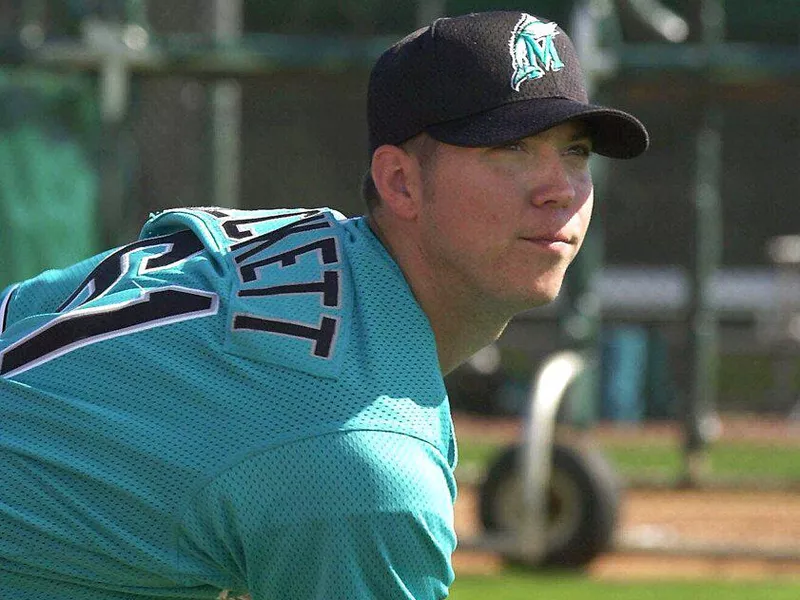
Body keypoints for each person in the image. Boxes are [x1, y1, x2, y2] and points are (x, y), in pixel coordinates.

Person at [0, 10, 648, 600]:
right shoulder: (364, 464)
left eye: (575, 152)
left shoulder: (301, 254)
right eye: (510, 149)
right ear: (400, 181)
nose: (560, 190)